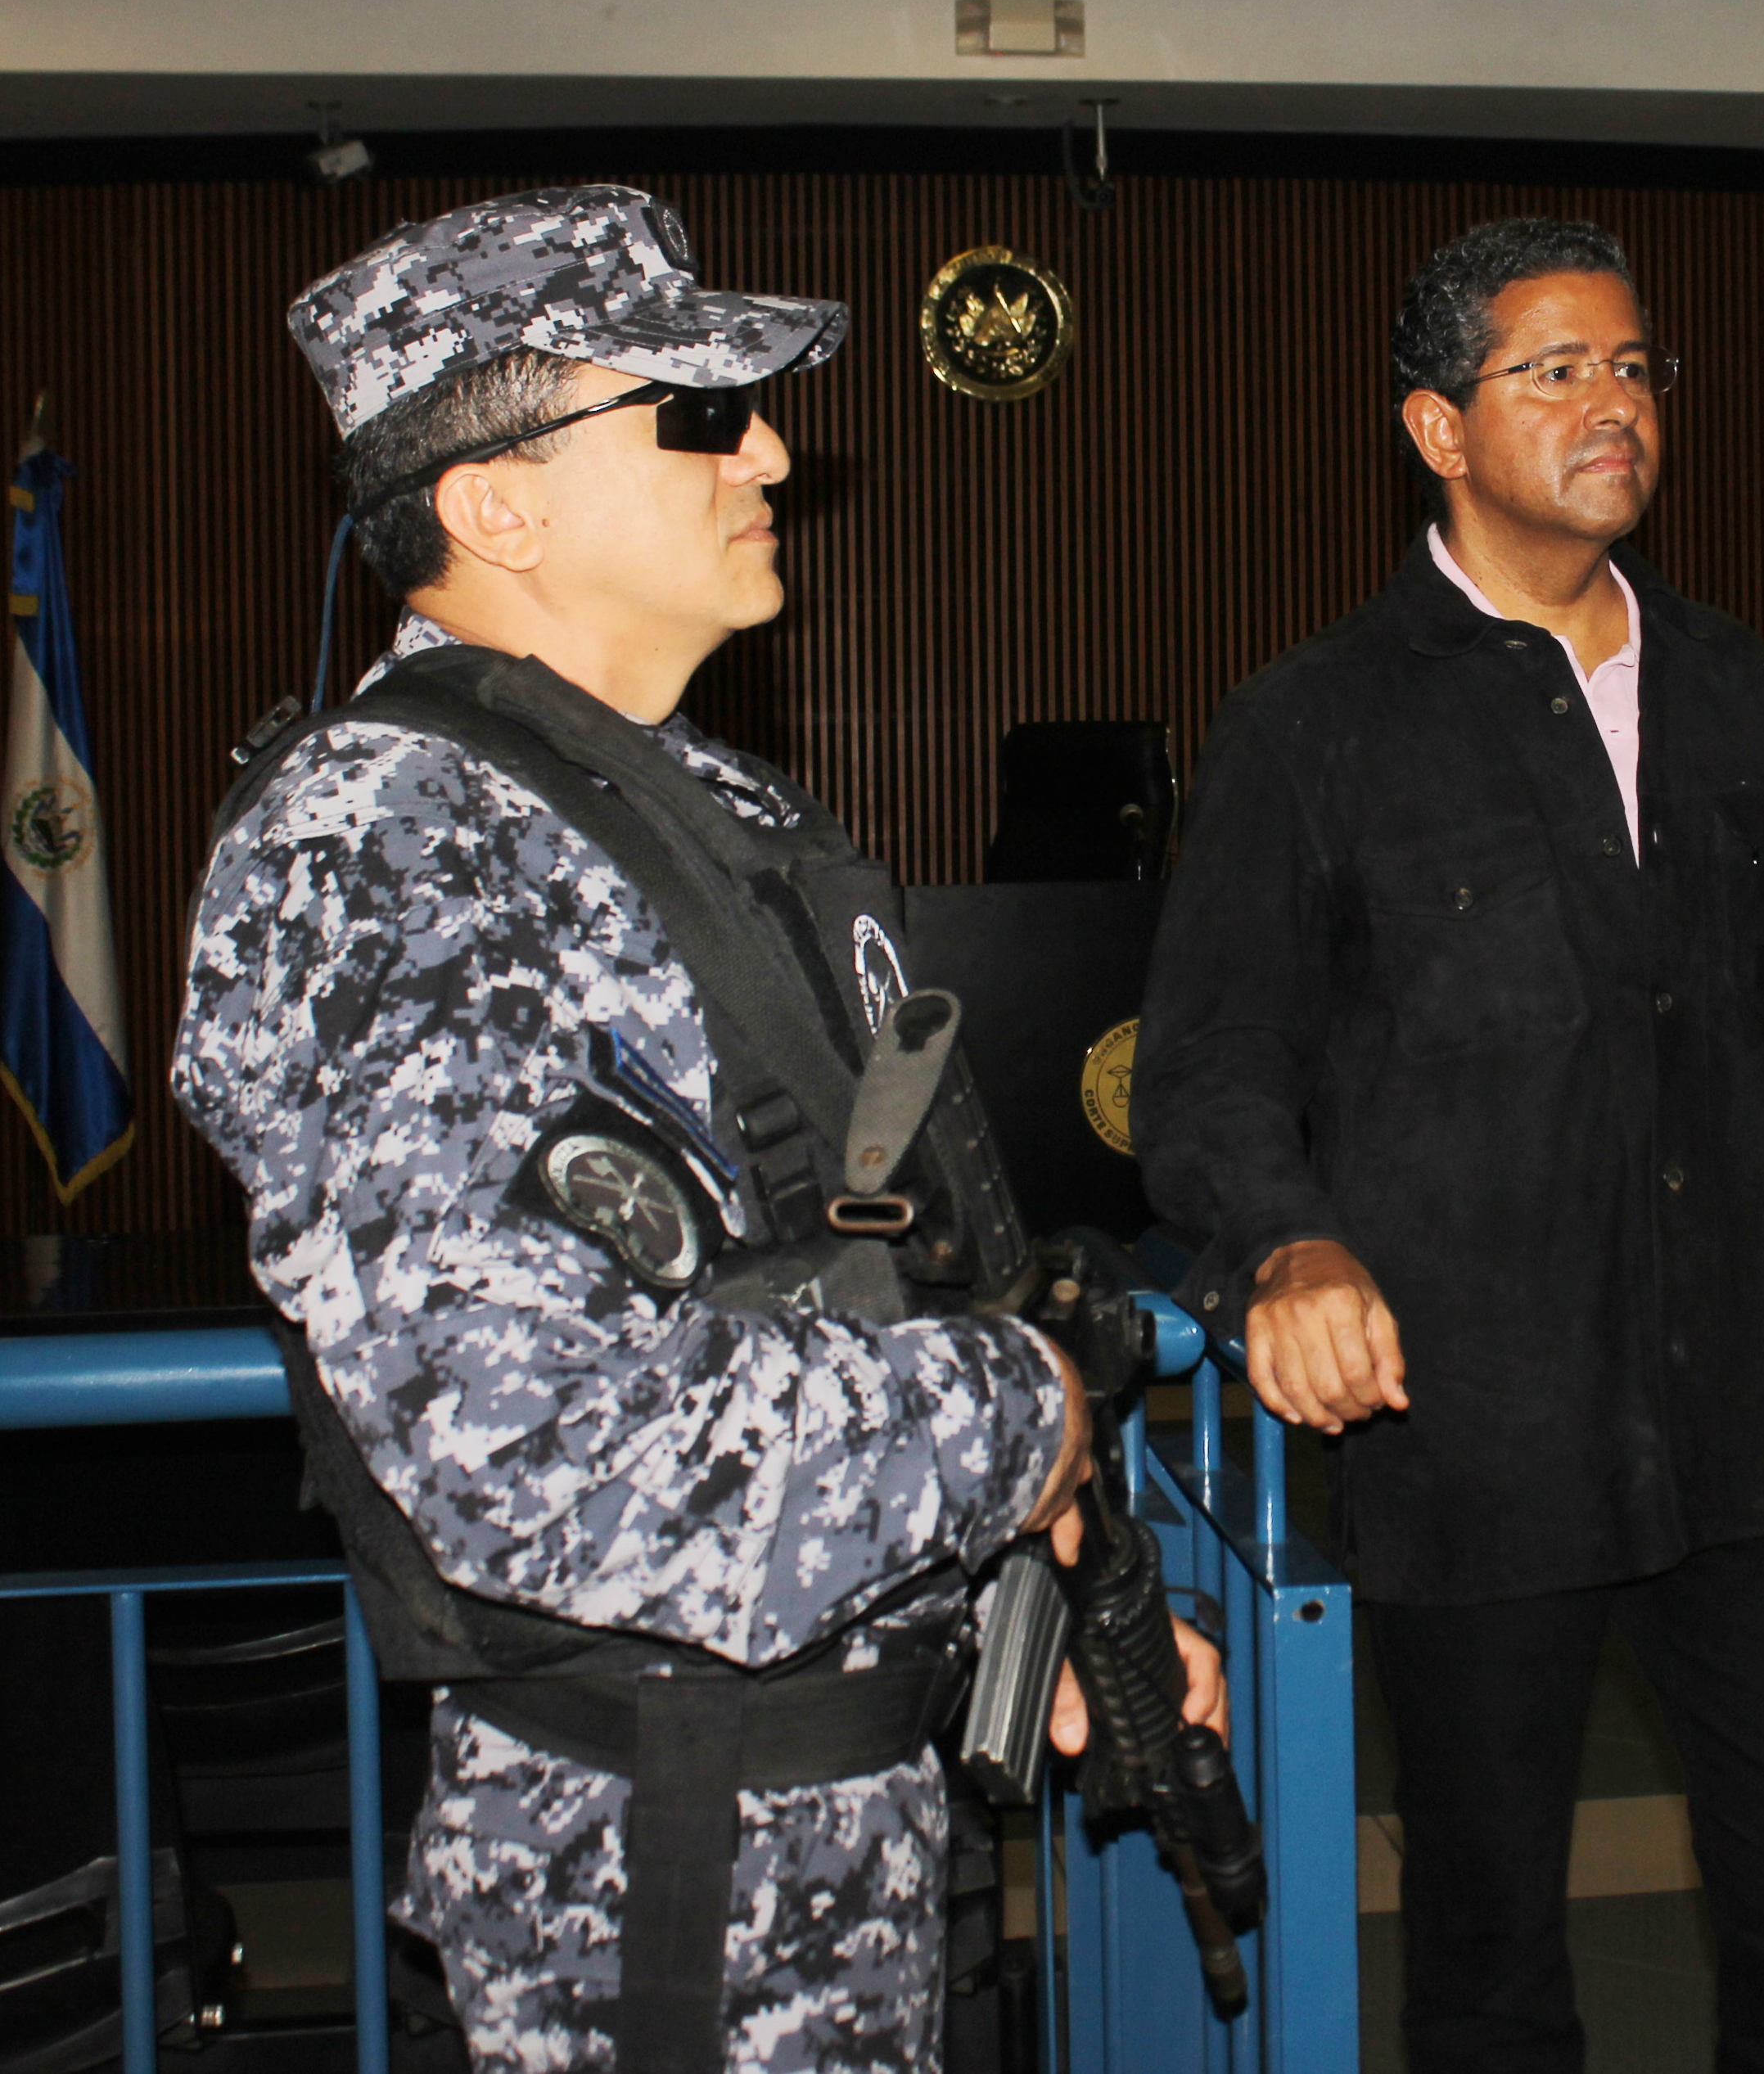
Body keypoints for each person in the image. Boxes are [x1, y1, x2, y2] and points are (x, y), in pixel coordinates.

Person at [173, 184, 1220, 2073]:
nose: (771, 452)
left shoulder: (705, 814)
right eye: (697, 413)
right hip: (646, 1875)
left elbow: (840, 1272)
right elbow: (540, 1450)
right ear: (496, 505)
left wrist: (1049, 1566)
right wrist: (1022, 1420)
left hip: (849, 1816)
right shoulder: (389, 852)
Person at [1135, 215, 1764, 2071]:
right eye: (1557, 370)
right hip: (1478, 1431)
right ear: (1438, 427)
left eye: (1635, 366)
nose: (1615, 405)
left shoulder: (1744, 691)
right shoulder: (1316, 723)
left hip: (1758, 1420)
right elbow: (1211, 1058)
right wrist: (1287, 1239)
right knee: (1491, 1962)